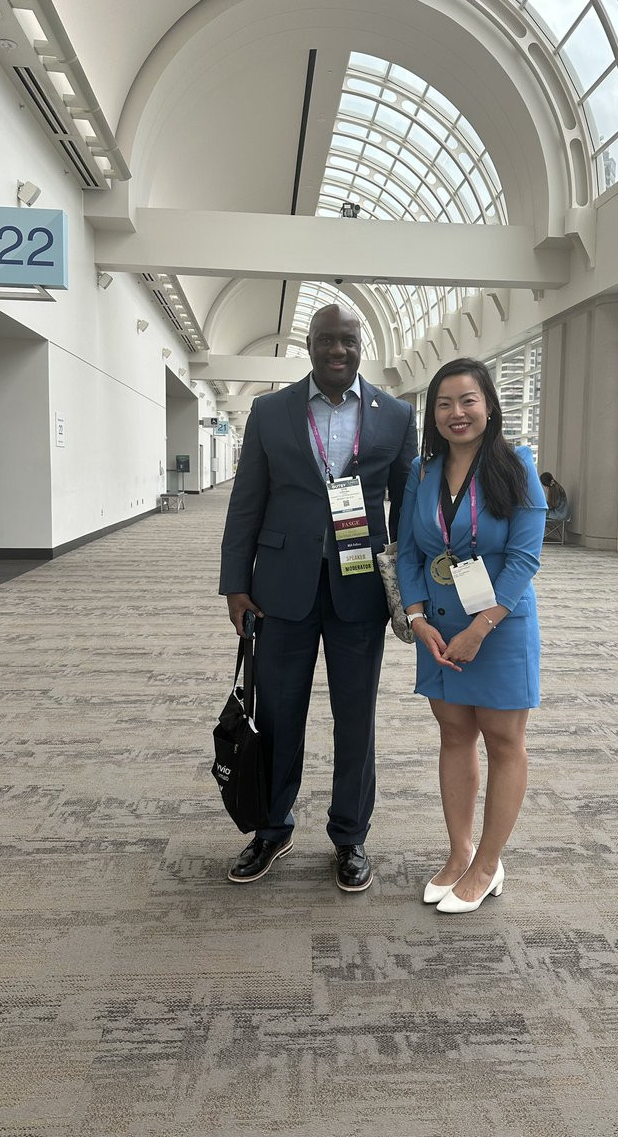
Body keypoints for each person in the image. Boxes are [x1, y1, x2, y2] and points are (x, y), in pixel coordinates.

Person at [219, 302, 417, 891]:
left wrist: (410, 589)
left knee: (356, 718)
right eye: (327, 340)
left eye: (348, 341)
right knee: (278, 715)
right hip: (280, 590)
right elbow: (247, 501)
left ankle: (350, 836)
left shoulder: (395, 415)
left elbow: (406, 510)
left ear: (361, 347)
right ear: (308, 346)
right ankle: (271, 828)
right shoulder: (270, 411)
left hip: (360, 589)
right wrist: (235, 584)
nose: (338, 350)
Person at [396, 358, 546, 914]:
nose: (456, 413)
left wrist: (482, 628)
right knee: (455, 734)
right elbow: (408, 552)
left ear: (489, 406)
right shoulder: (422, 471)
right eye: (444, 404)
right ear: (432, 413)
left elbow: (525, 556)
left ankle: (487, 864)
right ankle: (459, 852)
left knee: (504, 741)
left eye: (467, 401)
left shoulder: (516, 465)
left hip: (498, 624)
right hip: (439, 626)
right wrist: (417, 619)